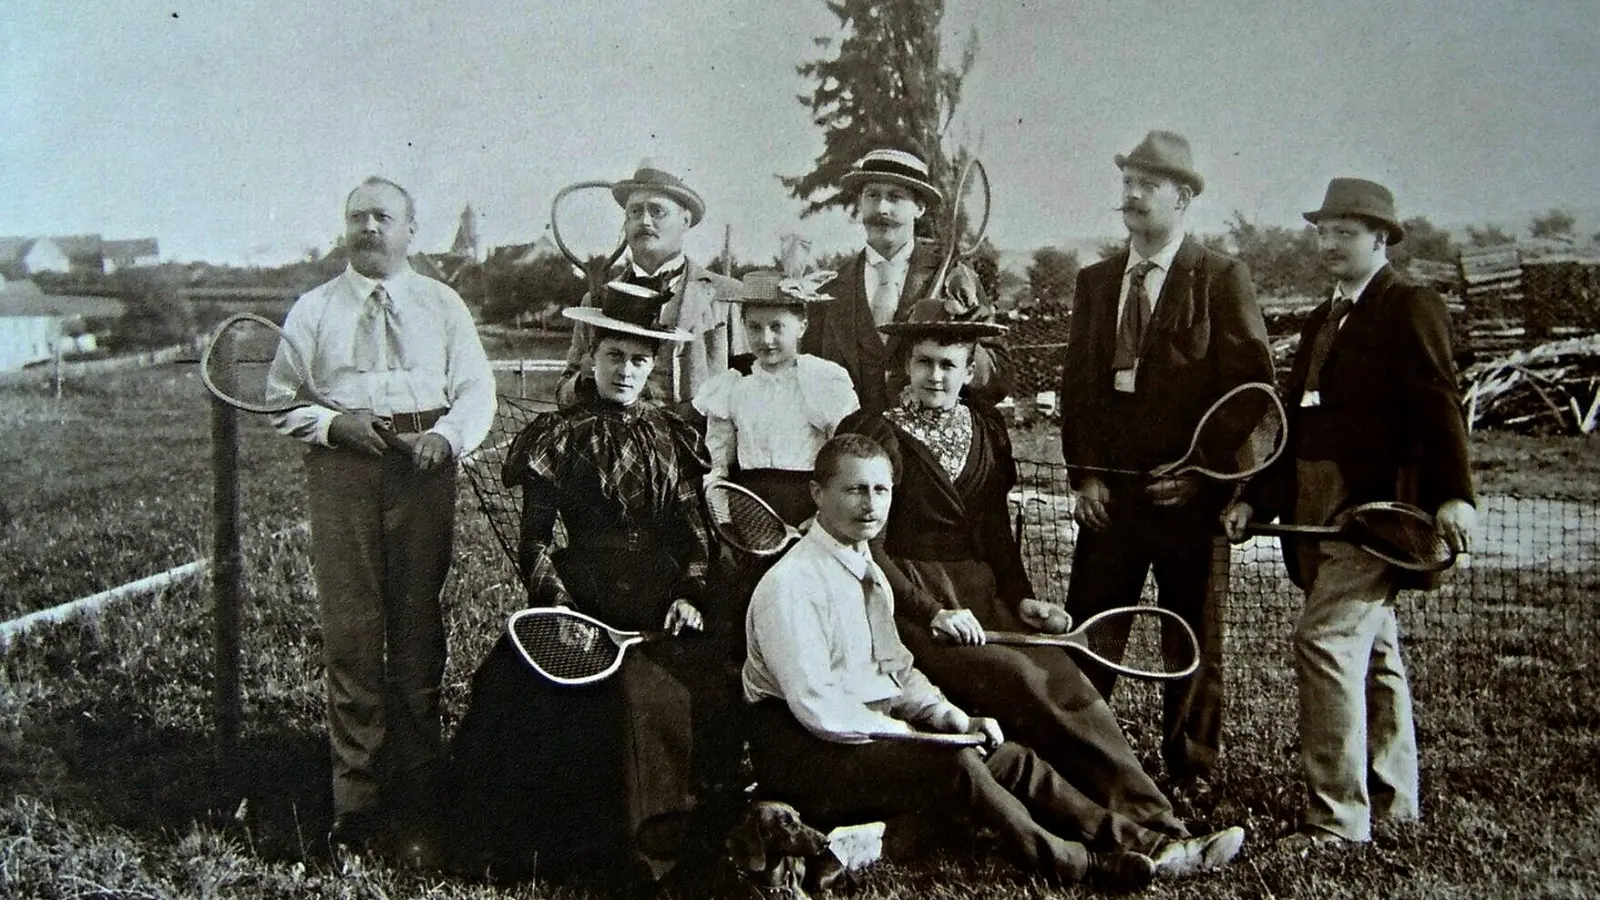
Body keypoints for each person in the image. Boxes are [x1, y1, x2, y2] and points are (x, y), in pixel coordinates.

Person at [743, 435, 1244, 892]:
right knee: (956, 762)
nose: (871, 505)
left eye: (882, 490)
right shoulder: (793, 586)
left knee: (1006, 755)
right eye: (854, 490)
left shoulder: (865, 569)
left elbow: (895, 671)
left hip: (859, 735)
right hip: (803, 752)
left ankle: (1152, 845)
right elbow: (819, 710)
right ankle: (1078, 864)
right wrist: (924, 739)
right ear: (817, 495)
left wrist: (951, 718)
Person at [837, 296, 1235, 855]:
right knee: (1020, 681)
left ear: (970, 368)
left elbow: (997, 531)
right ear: (906, 364)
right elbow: (866, 545)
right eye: (924, 362)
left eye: (949, 365)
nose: (935, 375)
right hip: (908, 604)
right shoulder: (877, 432)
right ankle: (1136, 837)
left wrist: (1022, 600)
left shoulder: (988, 427)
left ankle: (1159, 824)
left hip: (983, 595)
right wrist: (933, 612)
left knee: (1061, 678)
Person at [449, 280, 741, 885]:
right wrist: (557, 606)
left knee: (664, 692)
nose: (626, 372)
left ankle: (657, 841)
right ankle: (548, 845)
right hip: (583, 589)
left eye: (639, 360)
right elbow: (534, 543)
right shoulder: (560, 436)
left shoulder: (673, 438)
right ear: (592, 358)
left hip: (657, 596)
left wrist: (689, 594)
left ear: (653, 364)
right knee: (523, 693)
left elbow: (696, 538)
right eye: (614, 357)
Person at [1222, 178, 1477, 849]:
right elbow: (1297, 426)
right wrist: (1255, 498)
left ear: (1381, 238)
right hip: (1317, 503)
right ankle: (1395, 799)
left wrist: (1455, 495)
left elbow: (1438, 402)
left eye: (1346, 232)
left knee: (1327, 640)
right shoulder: (1321, 318)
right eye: (1324, 231)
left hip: (1376, 511)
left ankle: (1336, 821)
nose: (1330, 243)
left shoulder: (1409, 305)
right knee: (1374, 646)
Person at [267, 177, 495, 853]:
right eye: (357, 217)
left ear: (410, 229)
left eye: (383, 216)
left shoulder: (442, 304)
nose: (369, 226)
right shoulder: (313, 308)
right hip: (343, 474)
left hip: (421, 470)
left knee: (418, 627)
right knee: (353, 629)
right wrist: (334, 428)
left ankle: (421, 793)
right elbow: (280, 401)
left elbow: (476, 390)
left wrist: (446, 439)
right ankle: (358, 800)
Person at [1056, 130, 1274, 782]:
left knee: (1193, 638)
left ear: (1183, 198)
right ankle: (1077, 759)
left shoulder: (1220, 277)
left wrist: (1201, 470)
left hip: (1188, 500)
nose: (1131, 193)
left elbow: (1253, 390)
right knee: (1092, 631)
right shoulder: (1096, 282)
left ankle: (1192, 771)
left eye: (1147, 184)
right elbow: (1078, 388)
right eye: (1126, 181)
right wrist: (1087, 476)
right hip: (1111, 499)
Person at [800, 148, 1012, 415]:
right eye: (872, 195)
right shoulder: (829, 289)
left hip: (928, 451)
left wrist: (957, 336)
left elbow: (999, 378)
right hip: (853, 447)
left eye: (895, 197)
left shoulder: (954, 278)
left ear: (919, 207)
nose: (881, 209)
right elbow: (808, 380)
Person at [556, 160, 740, 410]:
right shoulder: (595, 303)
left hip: (699, 446)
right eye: (634, 212)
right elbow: (563, 396)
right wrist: (584, 380)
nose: (644, 221)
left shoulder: (728, 298)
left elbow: (751, 393)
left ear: (685, 221)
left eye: (656, 211)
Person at [692, 253, 859, 525]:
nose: (765, 339)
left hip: (811, 513)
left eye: (777, 327)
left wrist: (824, 519)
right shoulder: (732, 388)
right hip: (749, 513)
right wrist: (724, 523)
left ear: (802, 326)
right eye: (755, 327)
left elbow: (843, 461)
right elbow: (717, 467)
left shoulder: (823, 382)